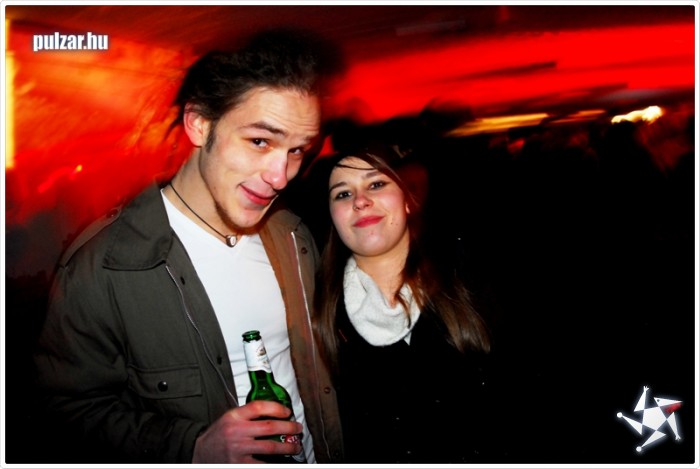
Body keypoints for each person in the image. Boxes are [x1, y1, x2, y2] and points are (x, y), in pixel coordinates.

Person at [33, 28, 344, 464]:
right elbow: (68, 410)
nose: (281, 175)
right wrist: (192, 446)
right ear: (199, 124)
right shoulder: (105, 267)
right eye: (260, 141)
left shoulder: (292, 237)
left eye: (297, 151)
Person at [311, 146, 497, 463]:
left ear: (407, 200)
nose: (360, 201)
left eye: (376, 184)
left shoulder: (469, 282)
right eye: (343, 194)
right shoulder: (320, 315)